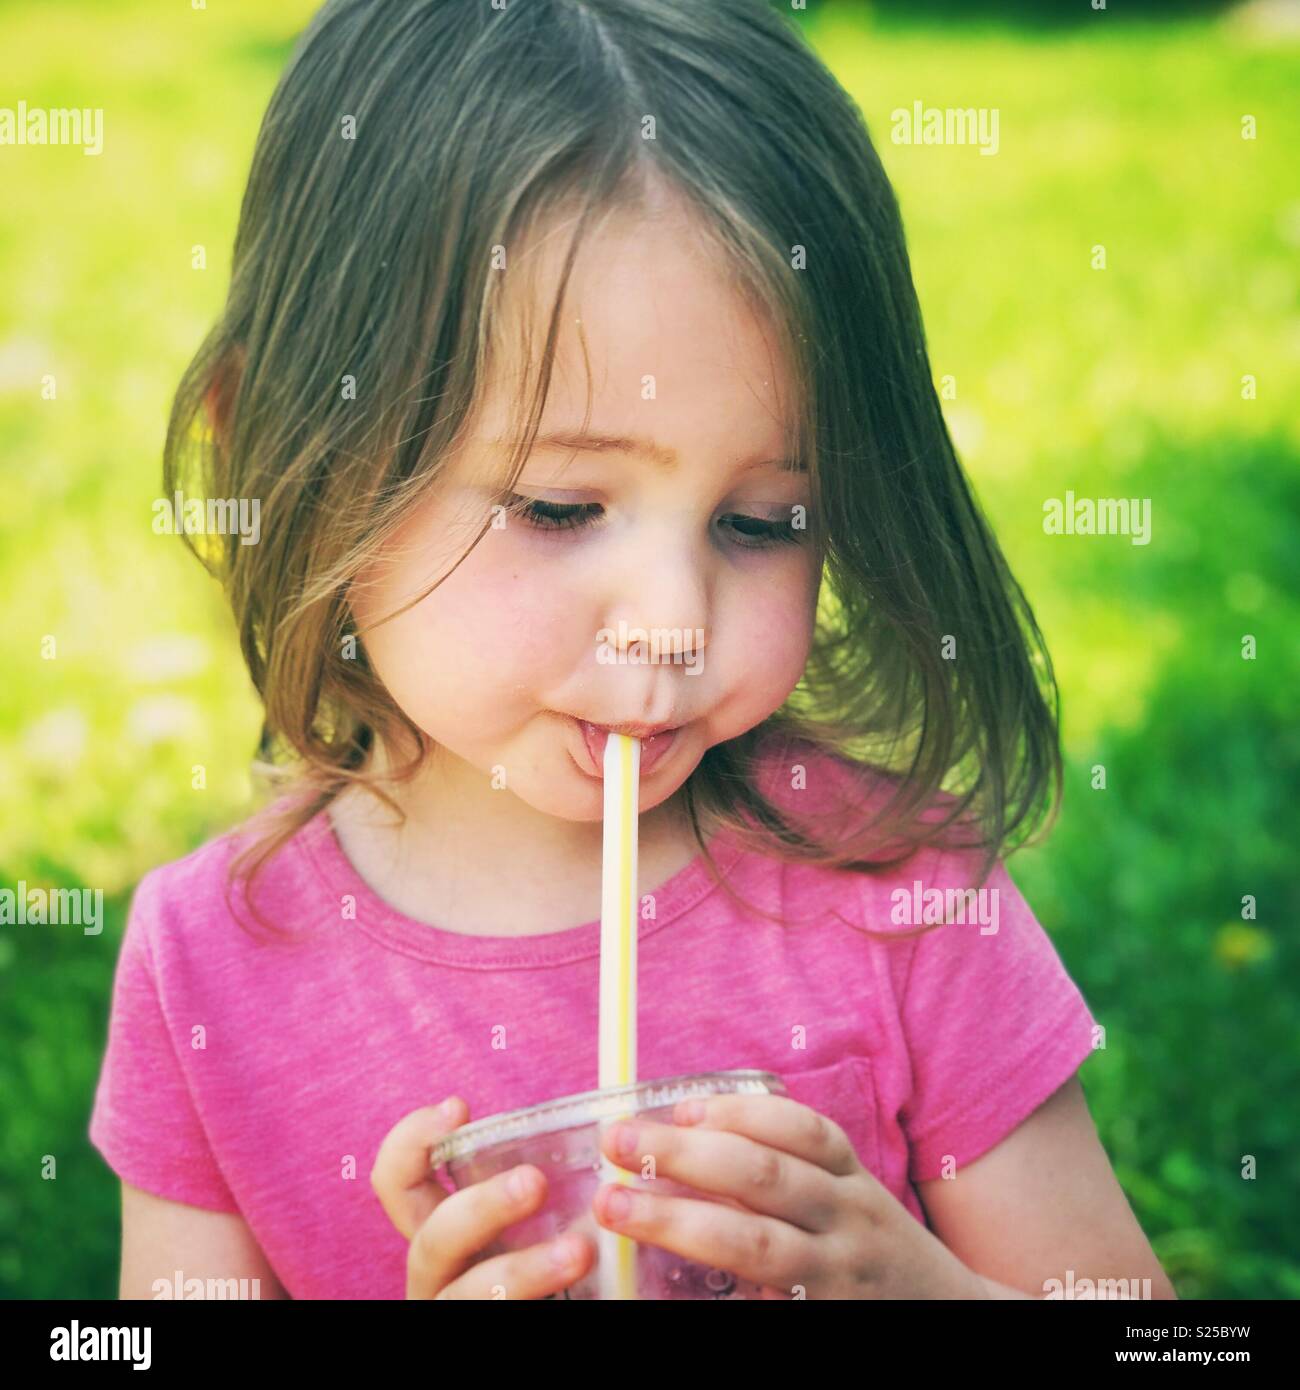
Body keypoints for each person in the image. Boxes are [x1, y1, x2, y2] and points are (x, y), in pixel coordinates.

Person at [90, 0, 1175, 1300]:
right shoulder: (208, 968)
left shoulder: (909, 894)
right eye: (560, 507)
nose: (672, 623)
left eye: (766, 519)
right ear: (286, 453)